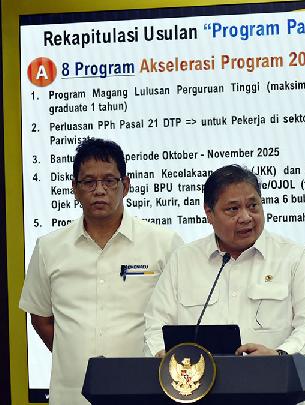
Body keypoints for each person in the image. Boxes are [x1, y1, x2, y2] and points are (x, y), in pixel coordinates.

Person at [19, 138, 184, 405]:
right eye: (88, 182)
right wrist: (72, 354)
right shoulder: (49, 247)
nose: (99, 190)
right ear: (74, 188)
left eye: (109, 181)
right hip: (72, 395)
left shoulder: (164, 243)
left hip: (145, 390)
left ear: (125, 185)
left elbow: (181, 315)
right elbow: (40, 317)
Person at [144, 164, 305, 362]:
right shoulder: (183, 260)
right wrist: (164, 357)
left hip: (274, 378)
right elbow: (156, 325)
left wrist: (279, 356)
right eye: (233, 209)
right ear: (209, 213)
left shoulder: (293, 257)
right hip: (197, 379)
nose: (246, 217)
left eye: (253, 206)